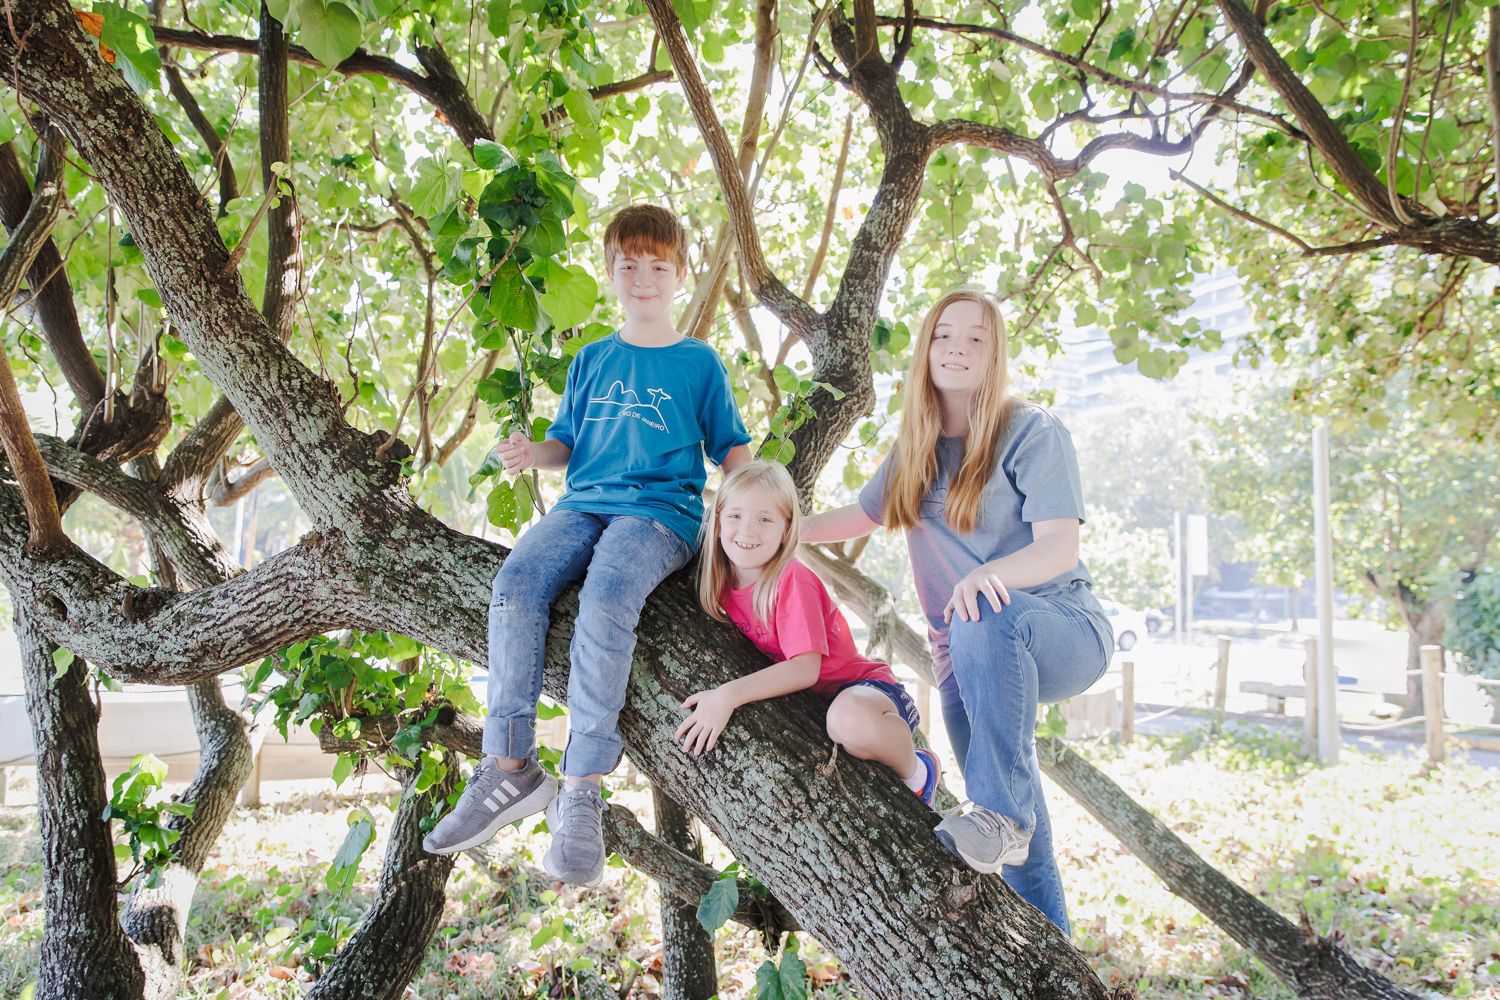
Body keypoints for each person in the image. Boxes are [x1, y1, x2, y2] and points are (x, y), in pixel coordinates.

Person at [423, 205, 752, 887]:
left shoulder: (698, 362)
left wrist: (760, 505)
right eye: (628, 265)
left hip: (659, 514)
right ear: (609, 271)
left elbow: (732, 452)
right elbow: (565, 445)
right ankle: (509, 766)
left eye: (657, 266)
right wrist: (531, 453)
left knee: (605, 597)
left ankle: (581, 789)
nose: (643, 279)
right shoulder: (593, 358)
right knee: (516, 585)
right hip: (582, 506)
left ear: (680, 274)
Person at [802, 289, 1111, 933]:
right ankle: (1056, 956)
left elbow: (1060, 547)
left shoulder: (1031, 430)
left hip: (1059, 627)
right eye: (944, 335)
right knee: (1013, 830)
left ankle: (1002, 817)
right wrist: (779, 529)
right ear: (926, 348)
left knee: (1000, 806)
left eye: (976, 338)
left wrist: (987, 575)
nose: (957, 349)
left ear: (995, 353)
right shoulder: (915, 446)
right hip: (964, 661)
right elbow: (859, 516)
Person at [677, 460, 941, 806]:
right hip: (820, 705)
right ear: (717, 521)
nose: (747, 530)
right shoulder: (720, 579)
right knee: (839, 721)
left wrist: (727, 696)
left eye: (765, 519)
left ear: (787, 529)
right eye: (735, 515)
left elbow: (805, 668)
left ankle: (919, 772)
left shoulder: (791, 579)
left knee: (846, 721)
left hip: (866, 693)